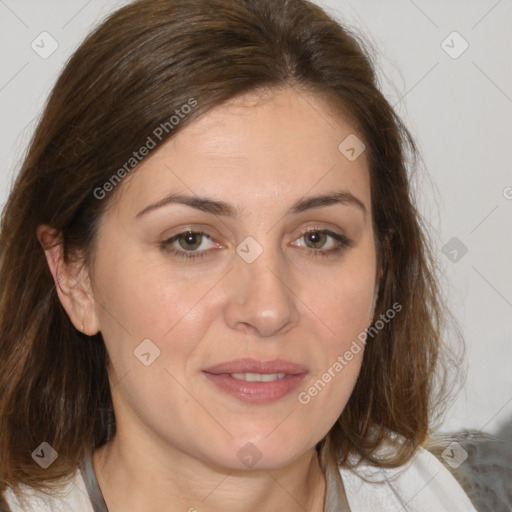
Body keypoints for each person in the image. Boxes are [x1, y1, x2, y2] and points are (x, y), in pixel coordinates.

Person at [0, 0, 478, 510]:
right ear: (74, 277)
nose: (268, 309)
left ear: (382, 269)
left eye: (317, 238)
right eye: (191, 240)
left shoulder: (428, 494)